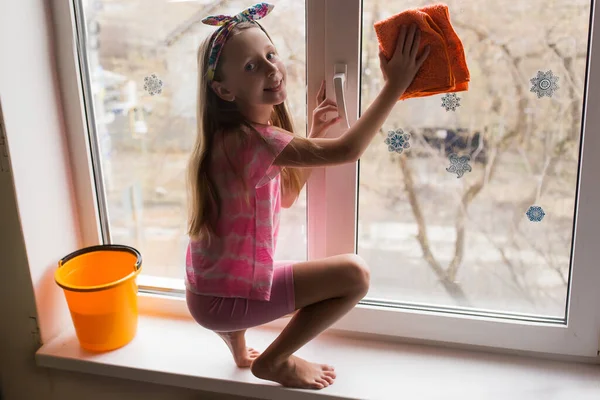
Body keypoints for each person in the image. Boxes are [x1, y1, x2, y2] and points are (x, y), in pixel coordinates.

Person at [185, 2, 430, 390]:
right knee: (355, 275)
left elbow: (285, 196)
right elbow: (348, 151)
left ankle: (239, 347)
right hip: (223, 303)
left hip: (208, 295)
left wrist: (315, 130)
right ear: (224, 90)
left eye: (270, 54)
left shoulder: (229, 140)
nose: (270, 68)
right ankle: (276, 359)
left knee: (260, 264)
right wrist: (395, 84)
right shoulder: (252, 141)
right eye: (251, 66)